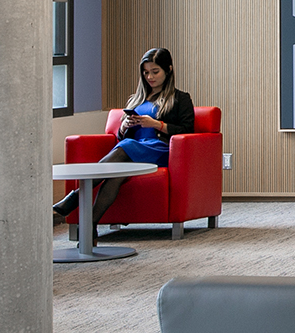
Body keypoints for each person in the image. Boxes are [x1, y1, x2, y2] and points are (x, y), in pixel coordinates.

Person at [53, 47, 194, 226]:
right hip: (134, 149)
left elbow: (187, 130)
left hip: (160, 150)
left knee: (126, 146)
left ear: (169, 69)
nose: (150, 77)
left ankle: (75, 197)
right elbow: (121, 136)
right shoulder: (137, 98)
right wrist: (125, 126)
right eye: (146, 73)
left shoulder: (180, 99)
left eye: (155, 72)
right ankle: (89, 228)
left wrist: (157, 124)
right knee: (115, 174)